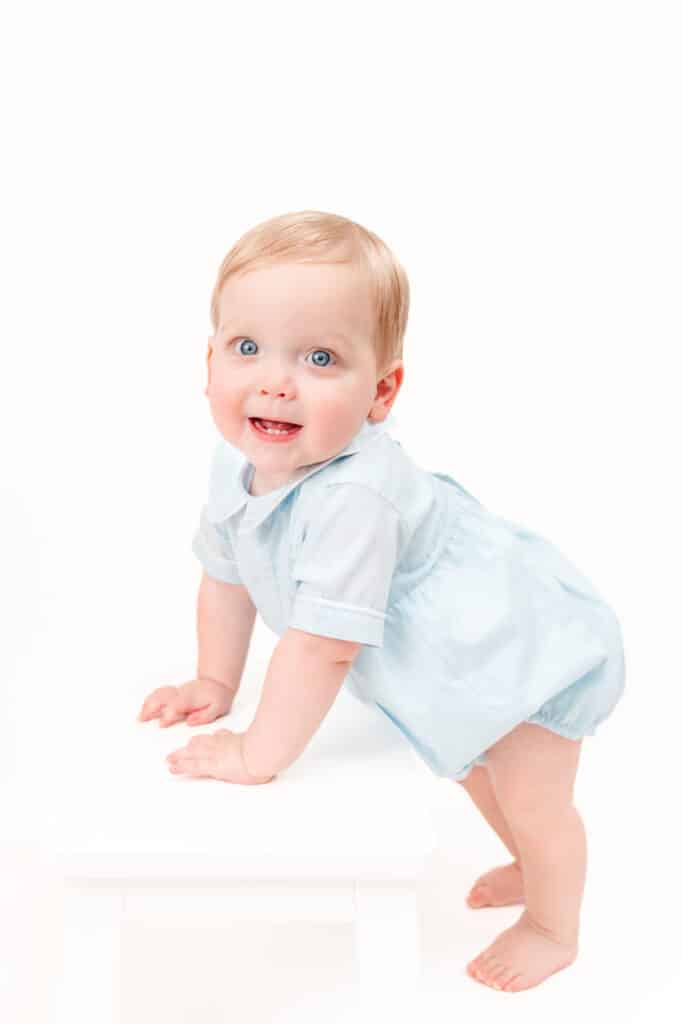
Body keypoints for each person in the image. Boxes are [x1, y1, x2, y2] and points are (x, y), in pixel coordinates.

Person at [137, 209, 626, 992]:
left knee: (531, 791)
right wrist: (215, 683)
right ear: (208, 362)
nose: (273, 380)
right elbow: (225, 575)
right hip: (447, 668)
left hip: (522, 649)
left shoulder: (354, 496)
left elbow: (322, 643)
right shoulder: (238, 466)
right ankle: (528, 869)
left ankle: (552, 923)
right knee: (475, 768)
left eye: (320, 357)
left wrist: (257, 754)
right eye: (247, 347)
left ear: (381, 390)